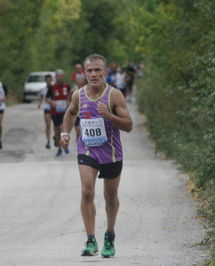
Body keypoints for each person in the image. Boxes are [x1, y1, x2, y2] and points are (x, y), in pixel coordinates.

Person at [60, 54, 133, 257]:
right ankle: (90, 240)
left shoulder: (114, 95)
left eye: (97, 70)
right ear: (84, 73)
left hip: (111, 152)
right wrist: (65, 134)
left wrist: (109, 115)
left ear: (105, 72)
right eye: (90, 70)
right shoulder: (78, 94)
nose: (93, 74)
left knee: (110, 197)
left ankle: (109, 235)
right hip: (87, 149)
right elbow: (70, 113)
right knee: (87, 191)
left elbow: (129, 125)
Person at [46, 69, 71, 157]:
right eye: (57, 76)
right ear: (55, 77)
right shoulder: (52, 87)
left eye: (60, 76)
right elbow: (46, 98)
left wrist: (68, 102)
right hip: (55, 111)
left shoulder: (66, 86)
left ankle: (65, 145)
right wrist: (51, 102)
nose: (59, 78)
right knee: (57, 130)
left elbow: (70, 96)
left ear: (62, 76)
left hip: (65, 111)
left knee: (63, 128)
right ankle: (59, 148)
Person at [38, 74, 53, 149]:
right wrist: (40, 103)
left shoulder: (54, 88)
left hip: (55, 109)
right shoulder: (43, 89)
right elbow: (41, 97)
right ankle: (48, 141)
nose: (48, 81)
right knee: (48, 125)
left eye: (49, 80)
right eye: (47, 80)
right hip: (47, 108)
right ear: (45, 81)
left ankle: (56, 137)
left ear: (51, 80)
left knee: (58, 126)